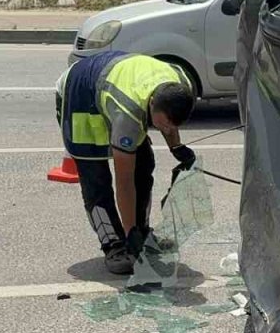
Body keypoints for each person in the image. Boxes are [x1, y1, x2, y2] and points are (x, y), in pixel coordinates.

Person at [55, 50, 197, 274]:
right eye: (164, 125)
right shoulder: (128, 112)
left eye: (172, 127)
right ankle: (115, 244)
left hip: (115, 77)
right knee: (96, 178)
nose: (168, 130)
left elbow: (169, 119)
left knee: (144, 165)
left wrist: (176, 147)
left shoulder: (179, 85)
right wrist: (128, 231)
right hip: (81, 94)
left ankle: (142, 230)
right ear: (151, 104)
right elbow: (124, 181)